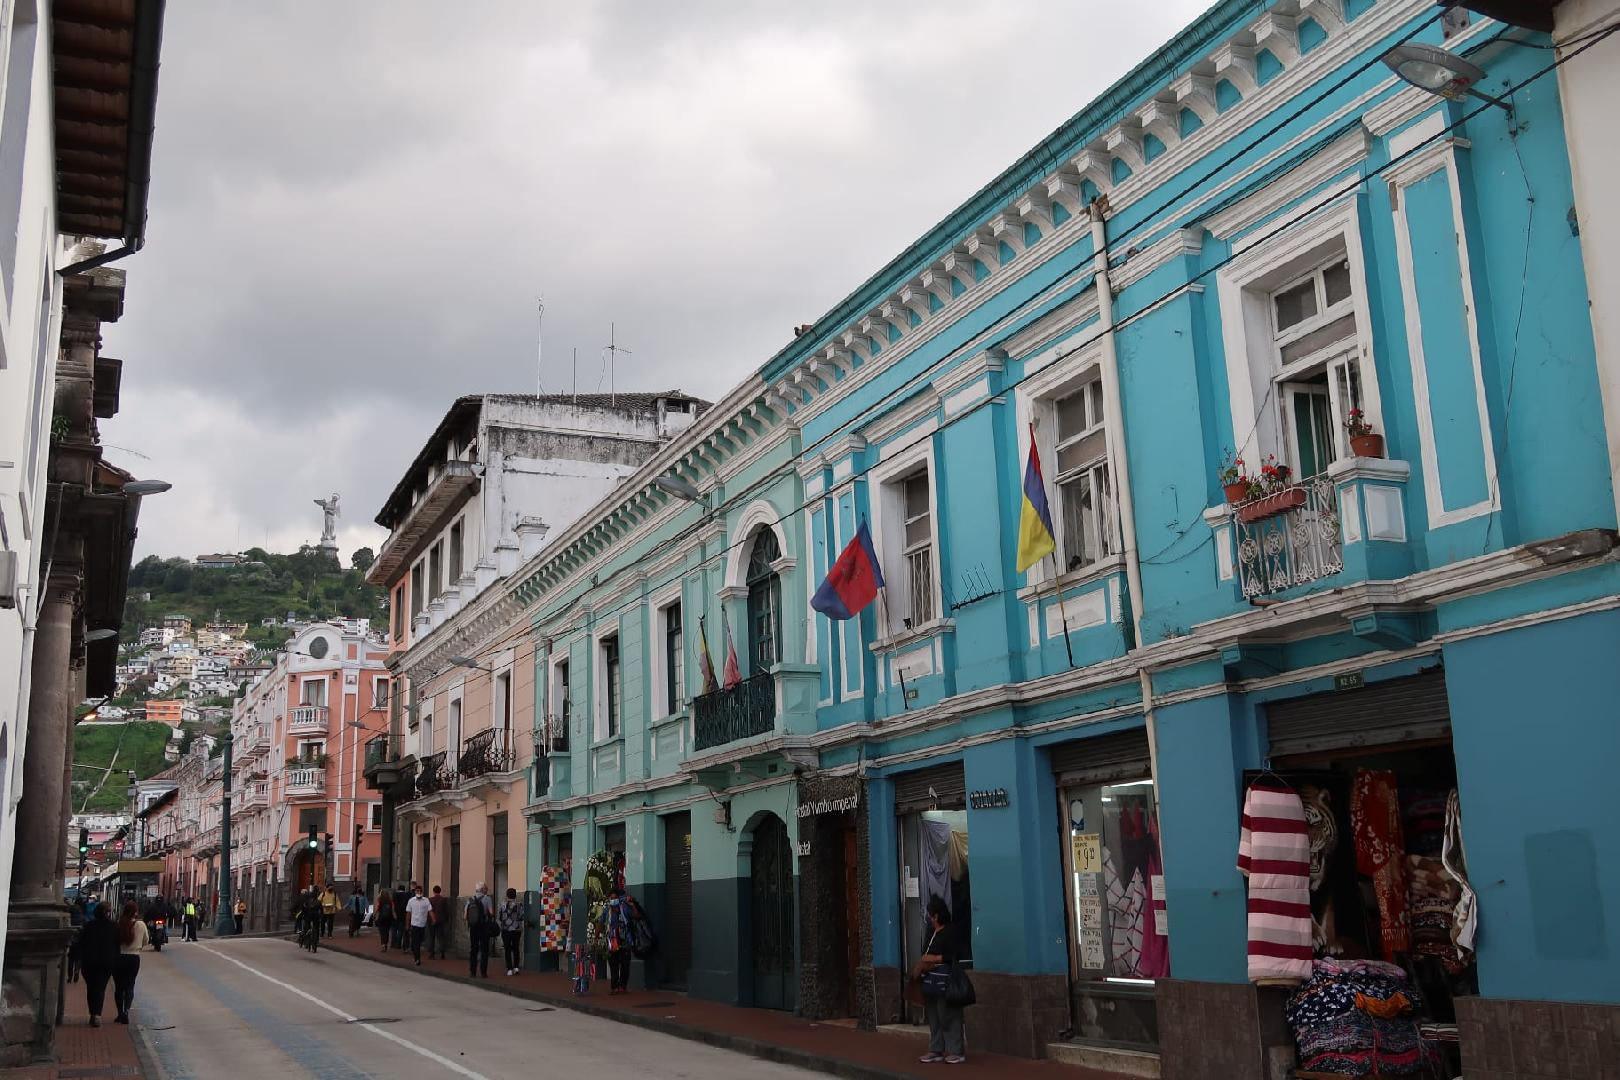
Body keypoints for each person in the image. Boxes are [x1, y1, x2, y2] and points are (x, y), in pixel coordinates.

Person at [913, 896, 966, 1065]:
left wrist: (935, 958)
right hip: (930, 978)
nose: (929, 918)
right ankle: (936, 1049)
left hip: (946, 978)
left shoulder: (950, 931)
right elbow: (925, 951)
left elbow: (954, 955)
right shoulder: (931, 931)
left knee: (948, 1014)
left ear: (936, 915)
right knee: (934, 1015)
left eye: (930, 915)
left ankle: (956, 1051)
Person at [79, 903, 119, 1027]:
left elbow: (82, 943)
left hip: (89, 961)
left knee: (91, 988)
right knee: (100, 988)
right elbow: (117, 945)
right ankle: (97, 1014)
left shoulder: (89, 926)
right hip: (106, 962)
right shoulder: (113, 926)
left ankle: (93, 1012)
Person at [113, 901, 149, 1025]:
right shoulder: (141, 925)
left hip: (119, 957)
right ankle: (126, 1011)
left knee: (119, 987)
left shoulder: (119, 924)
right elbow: (146, 940)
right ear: (135, 912)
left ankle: (119, 1013)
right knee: (130, 985)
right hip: (134, 958)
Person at [597, 887, 635, 994]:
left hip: (624, 941)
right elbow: (600, 923)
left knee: (625, 964)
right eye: (611, 898)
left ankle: (623, 986)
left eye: (615, 898)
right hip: (612, 941)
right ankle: (614, 987)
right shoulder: (607, 910)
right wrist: (596, 937)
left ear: (618, 898)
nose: (613, 900)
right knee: (613, 965)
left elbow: (635, 916)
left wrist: (633, 906)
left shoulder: (624, 909)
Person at [464, 882, 494, 978]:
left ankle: (472, 971)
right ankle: (483, 972)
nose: (487, 890)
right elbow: (491, 913)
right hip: (483, 927)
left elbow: (465, 916)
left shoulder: (470, 900)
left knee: (474, 949)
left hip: (473, 927)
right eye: (486, 888)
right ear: (483, 890)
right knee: (484, 949)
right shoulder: (487, 899)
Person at [498, 887, 525, 976]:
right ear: (515, 895)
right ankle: (516, 967)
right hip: (516, 929)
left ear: (507, 895)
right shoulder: (519, 905)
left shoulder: (503, 905)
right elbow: (522, 916)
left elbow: (500, 917)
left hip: (505, 929)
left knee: (507, 949)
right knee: (516, 948)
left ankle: (509, 968)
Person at [404, 884, 432, 966]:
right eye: (417, 891)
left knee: (419, 941)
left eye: (420, 891)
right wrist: (407, 925)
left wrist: (433, 919)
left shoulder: (426, 900)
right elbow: (408, 913)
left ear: (422, 892)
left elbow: (430, 911)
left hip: (422, 925)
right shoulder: (411, 901)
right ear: (415, 892)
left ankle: (416, 953)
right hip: (414, 925)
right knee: (415, 942)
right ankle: (417, 958)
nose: (419, 892)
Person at [426, 885, 450, 959]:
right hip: (441, 920)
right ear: (440, 891)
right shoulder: (443, 900)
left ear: (433, 891)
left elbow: (428, 910)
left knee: (431, 937)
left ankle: (432, 954)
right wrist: (446, 919)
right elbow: (446, 910)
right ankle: (442, 952)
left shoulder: (430, 900)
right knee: (441, 937)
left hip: (431, 920)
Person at [372, 887, 396, 952]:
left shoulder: (380, 900)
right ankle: (386, 943)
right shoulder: (391, 901)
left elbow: (377, 909)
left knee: (382, 932)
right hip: (389, 918)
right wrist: (395, 917)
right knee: (387, 931)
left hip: (381, 918)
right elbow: (393, 910)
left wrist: (374, 915)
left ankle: (383, 945)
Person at [391, 883, 411, 949]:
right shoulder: (406, 895)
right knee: (400, 930)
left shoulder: (394, 894)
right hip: (403, 914)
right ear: (404, 889)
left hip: (395, 914)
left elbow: (392, 904)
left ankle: (393, 943)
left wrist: (393, 912)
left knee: (394, 929)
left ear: (398, 888)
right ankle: (398, 944)